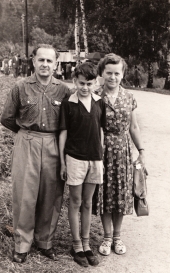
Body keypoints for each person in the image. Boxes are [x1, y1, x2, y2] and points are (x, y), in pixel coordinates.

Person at [0, 44, 71, 263]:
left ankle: (45, 241)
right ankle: (22, 244)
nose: (45, 64)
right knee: (25, 193)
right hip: (27, 140)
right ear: (33, 61)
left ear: (56, 64)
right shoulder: (20, 87)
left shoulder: (64, 90)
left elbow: (68, 123)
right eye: (41, 60)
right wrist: (25, 134)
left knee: (51, 193)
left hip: (53, 143)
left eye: (50, 61)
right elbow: (7, 118)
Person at [93, 53, 146, 256]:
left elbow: (133, 126)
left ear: (122, 74)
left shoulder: (129, 97)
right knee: (105, 193)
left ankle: (117, 236)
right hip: (102, 149)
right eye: (108, 73)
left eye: (117, 73)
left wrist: (141, 151)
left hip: (123, 150)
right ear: (102, 73)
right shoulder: (95, 95)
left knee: (120, 193)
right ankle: (106, 238)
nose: (112, 77)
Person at [59, 62, 106, 267]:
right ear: (74, 81)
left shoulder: (99, 102)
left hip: (94, 158)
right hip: (75, 158)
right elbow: (63, 133)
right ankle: (76, 245)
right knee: (75, 202)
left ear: (95, 83)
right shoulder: (68, 103)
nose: (85, 87)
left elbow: (101, 129)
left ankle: (86, 245)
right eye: (81, 83)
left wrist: (100, 154)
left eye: (89, 83)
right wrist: (62, 162)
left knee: (88, 202)